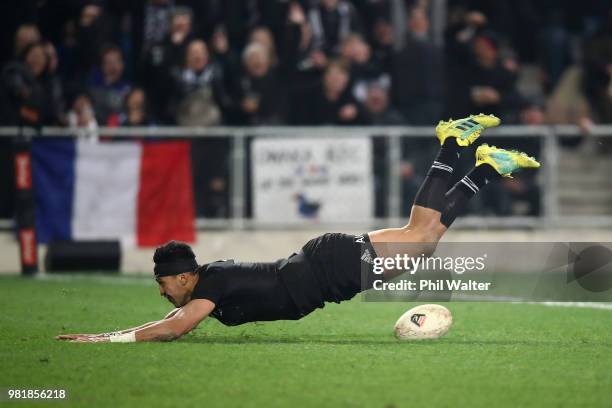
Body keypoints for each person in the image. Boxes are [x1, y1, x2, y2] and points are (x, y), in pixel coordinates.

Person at [56, 114, 540, 343]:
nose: (162, 292)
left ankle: (455, 145)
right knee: (424, 235)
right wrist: (118, 332)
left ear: (183, 275)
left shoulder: (211, 285)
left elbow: (176, 328)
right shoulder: (211, 281)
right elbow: (169, 321)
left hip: (329, 269)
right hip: (324, 262)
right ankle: (482, 167)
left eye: (162, 282)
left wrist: (104, 339)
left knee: (421, 239)